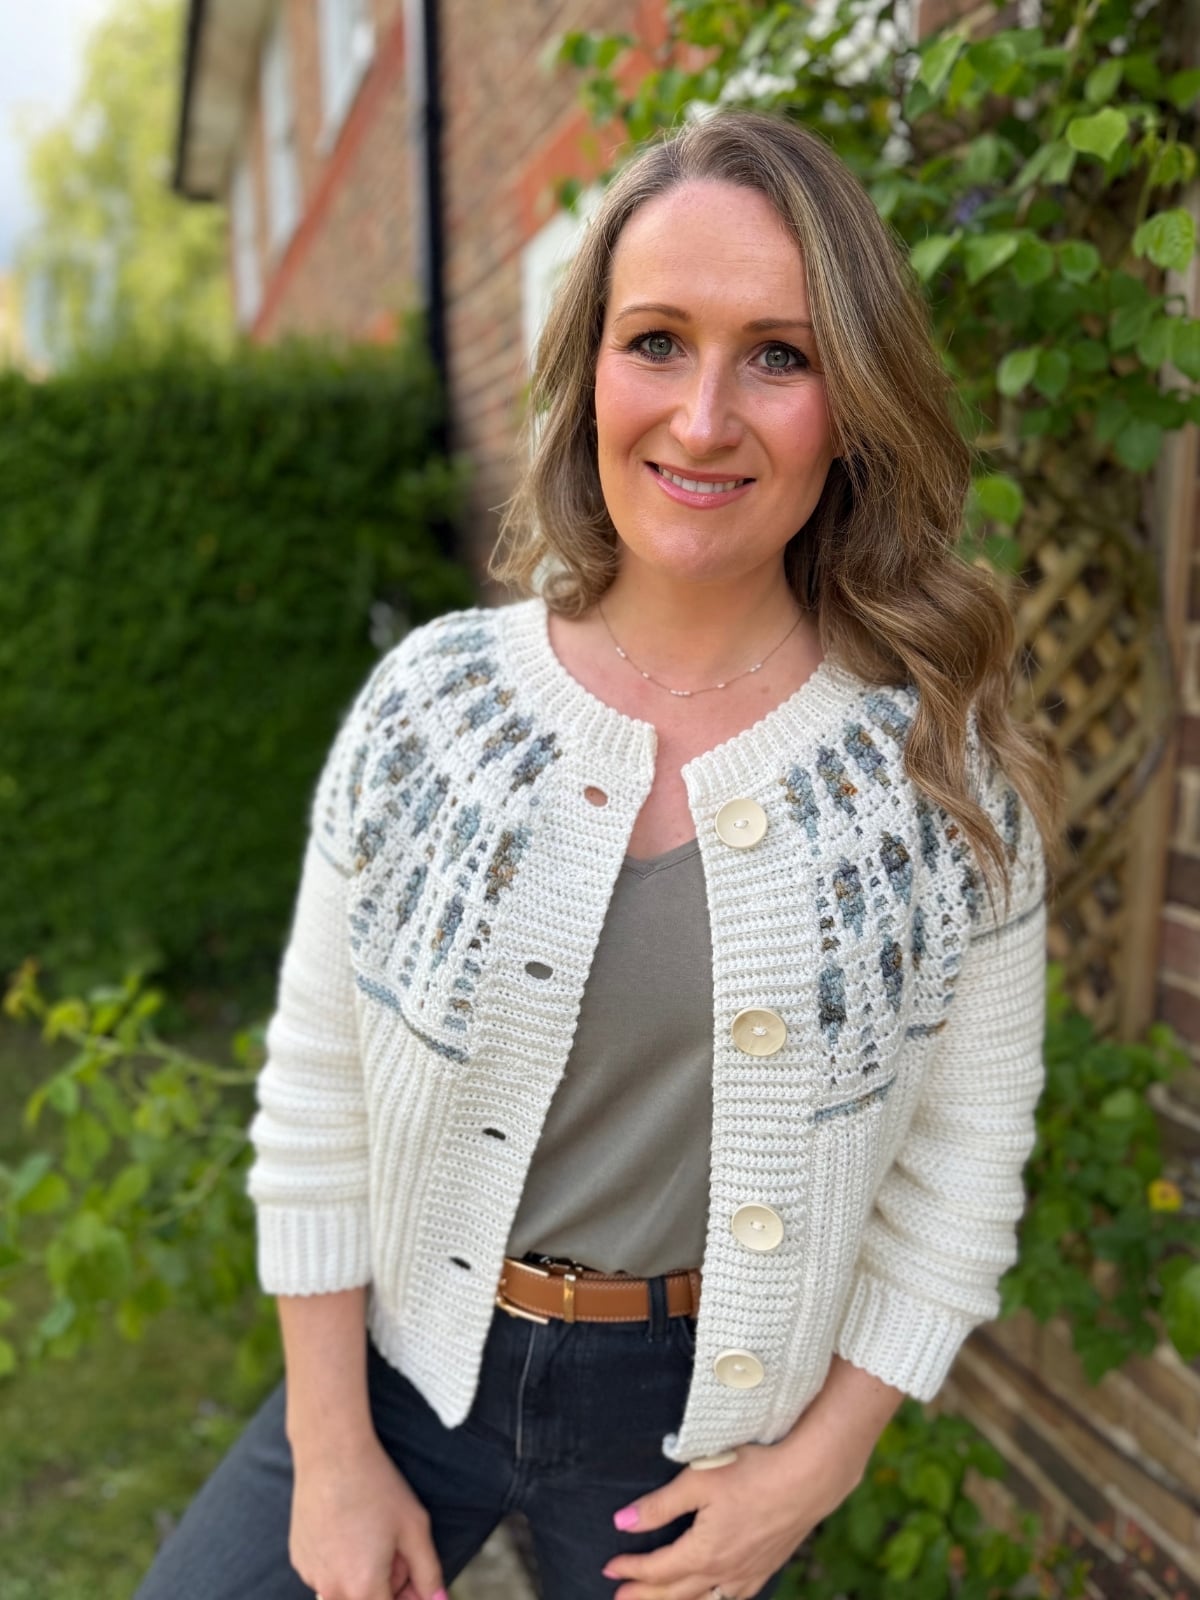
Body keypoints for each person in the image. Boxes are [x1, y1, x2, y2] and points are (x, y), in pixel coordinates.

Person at [134, 108, 1062, 1600]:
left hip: (695, 1424)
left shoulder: (937, 776)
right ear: (589, 372)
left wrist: (811, 1472)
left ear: (856, 397)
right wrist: (332, 1447)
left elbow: (962, 1172)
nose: (704, 419)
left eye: (780, 352)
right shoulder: (437, 707)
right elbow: (316, 1080)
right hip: (404, 1365)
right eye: (656, 342)